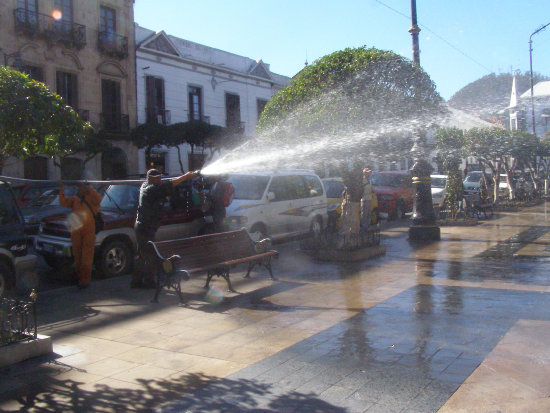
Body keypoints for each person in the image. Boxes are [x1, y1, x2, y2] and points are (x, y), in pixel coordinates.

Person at [132, 169, 197, 289]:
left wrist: (163, 198)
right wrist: (185, 177)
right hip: (145, 227)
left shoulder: (146, 185)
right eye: (157, 178)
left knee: (142, 255)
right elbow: (168, 185)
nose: (160, 179)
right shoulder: (150, 189)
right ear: (151, 178)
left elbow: (162, 192)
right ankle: (149, 282)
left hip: (143, 226)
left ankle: (136, 282)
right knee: (150, 254)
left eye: (160, 177)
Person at [59, 182, 102, 289]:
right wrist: (61, 189)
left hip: (88, 230)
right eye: (79, 188)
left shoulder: (92, 198)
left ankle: (85, 280)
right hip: (76, 230)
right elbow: (63, 202)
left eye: (81, 188)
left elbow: (99, 199)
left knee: (86, 256)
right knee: (77, 255)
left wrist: (89, 189)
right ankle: (79, 278)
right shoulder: (75, 199)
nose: (79, 190)